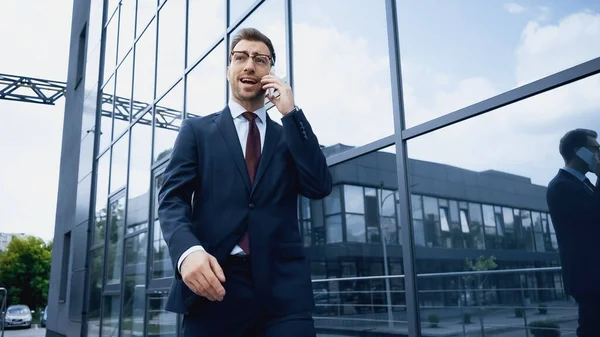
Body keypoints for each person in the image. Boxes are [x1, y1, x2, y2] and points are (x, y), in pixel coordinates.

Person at [157, 27, 332, 337]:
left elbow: (319, 185)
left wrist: (291, 113)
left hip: (284, 291)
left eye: (260, 59)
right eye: (241, 57)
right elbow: (173, 200)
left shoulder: (287, 134)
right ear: (229, 71)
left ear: (270, 73)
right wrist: (187, 253)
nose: (250, 65)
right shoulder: (197, 131)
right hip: (215, 284)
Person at [546, 128, 600, 337]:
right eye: (595, 149)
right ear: (579, 152)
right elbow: (594, 216)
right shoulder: (560, 186)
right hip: (590, 277)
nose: (598, 153)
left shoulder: (583, 183)